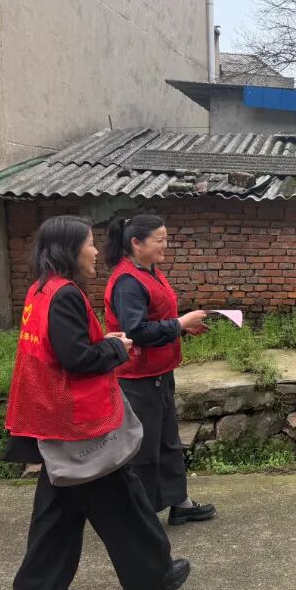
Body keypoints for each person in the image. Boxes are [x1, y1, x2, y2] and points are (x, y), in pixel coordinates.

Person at [3, 215, 189, 590]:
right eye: (88, 243)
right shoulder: (66, 295)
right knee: (122, 498)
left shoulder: (41, 290)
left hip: (56, 418)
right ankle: (150, 577)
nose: (94, 251)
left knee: (58, 510)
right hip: (78, 422)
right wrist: (116, 349)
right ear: (69, 250)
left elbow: (62, 349)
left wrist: (102, 341)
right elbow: (77, 358)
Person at [103, 214, 215, 525]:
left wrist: (181, 328)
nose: (166, 245)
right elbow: (136, 331)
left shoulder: (150, 271)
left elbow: (156, 318)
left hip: (159, 372)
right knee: (144, 448)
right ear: (136, 243)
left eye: (166, 238)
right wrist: (179, 323)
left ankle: (180, 502)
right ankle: (141, 518)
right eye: (159, 240)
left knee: (167, 441)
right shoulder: (127, 282)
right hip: (137, 378)